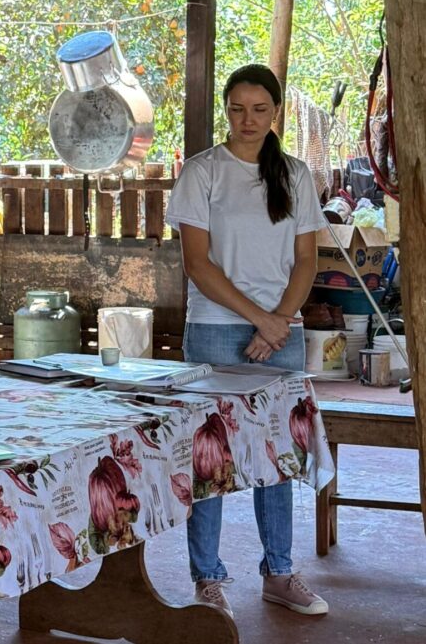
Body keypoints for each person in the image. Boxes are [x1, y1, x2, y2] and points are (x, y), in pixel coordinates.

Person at [165, 63, 328, 618]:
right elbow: (197, 263)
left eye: (260, 109)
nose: (247, 119)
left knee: (276, 456)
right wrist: (261, 318)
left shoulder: (297, 175)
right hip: (215, 327)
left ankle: (278, 571)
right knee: (209, 456)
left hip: (281, 329)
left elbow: (307, 260)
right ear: (225, 109)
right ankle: (206, 577)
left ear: (276, 113)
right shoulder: (201, 171)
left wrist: (278, 319)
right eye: (237, 108)